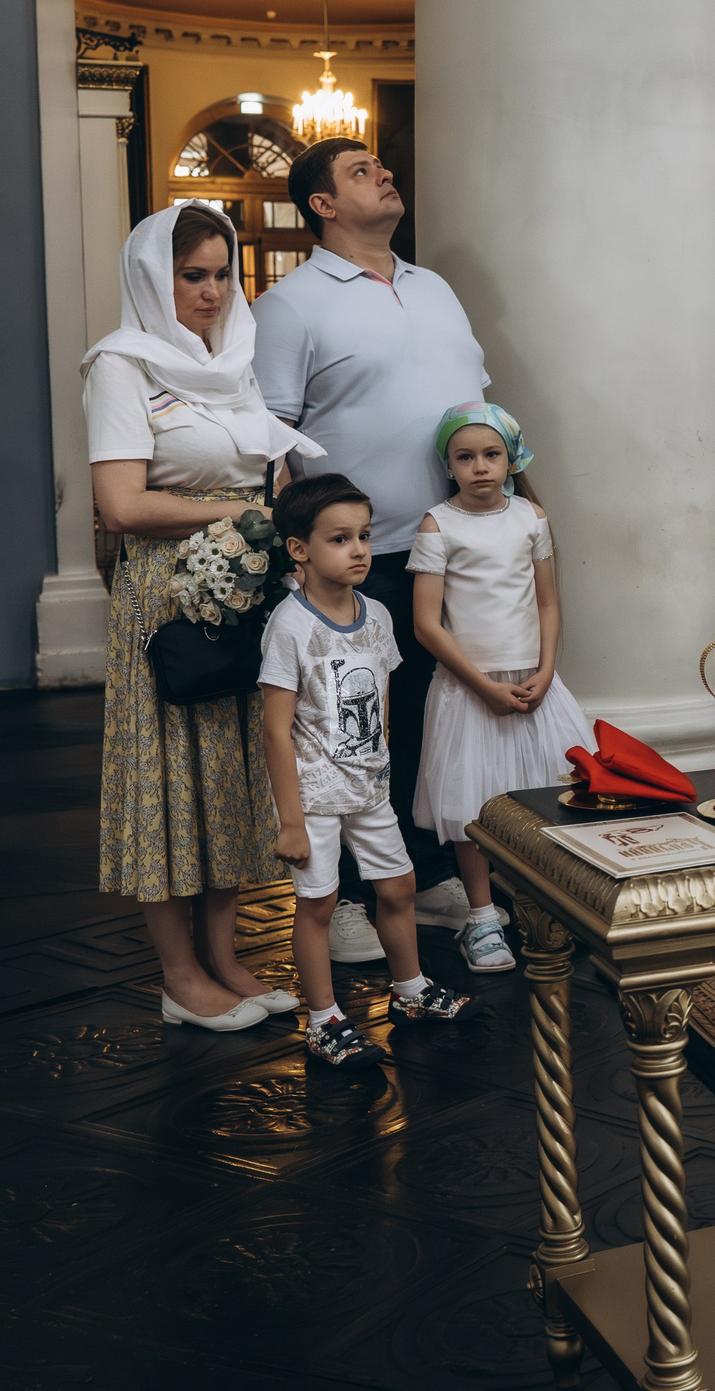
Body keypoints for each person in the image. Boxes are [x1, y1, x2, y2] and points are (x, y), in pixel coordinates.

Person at [86, 202, 324, 1031]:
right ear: (156, 278)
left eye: (224, 273)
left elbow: (266, 474)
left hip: (241, 578)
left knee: (228, 771)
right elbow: (119, 503)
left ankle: (224, 956)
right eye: (194, 276)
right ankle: (179, 977)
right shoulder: (121, 366)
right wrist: (238, 505)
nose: (213, 292)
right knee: (167, 778)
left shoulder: (237, 360)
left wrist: (275, 510)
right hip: (163, 590)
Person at [253, 137, 486, 962]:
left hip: (453, 544)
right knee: (343, 731)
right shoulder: (292, 303)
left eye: (383, 167)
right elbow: (271, 437)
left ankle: (418, 878)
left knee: (430, 717)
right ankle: (341, 894)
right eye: (360, 171)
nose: (385, 174)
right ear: (321, 203)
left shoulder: (435, 287)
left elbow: (475, 409)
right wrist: (301, 556)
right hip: (357, 555)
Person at [263, 474, 479, 1067]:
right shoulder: (291, 627)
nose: (359, 549)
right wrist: (290, 820)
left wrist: (379, 767)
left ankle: (410, 990)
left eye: (363, 535)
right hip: (315, 794)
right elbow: (275, 728)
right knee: (319, 903)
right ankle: (324, 1018)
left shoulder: (377, 614)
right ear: (300, 550)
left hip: (369, 786)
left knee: (399, 886)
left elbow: (380, 702)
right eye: (339, 539)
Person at [408, 402, 594, 972]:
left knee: (547, 791)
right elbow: (425, 624)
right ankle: (482, 916)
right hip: (470, 688)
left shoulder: (531, 518)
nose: (481, 467)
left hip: (534, 681)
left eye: (492, 455)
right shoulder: (438, 524)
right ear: (449, 464)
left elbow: (547, 602)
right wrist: (482, 686)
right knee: (472, 802)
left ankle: (547, 902)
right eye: (466, 457)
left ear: (512, 458)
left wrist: (545, 669)